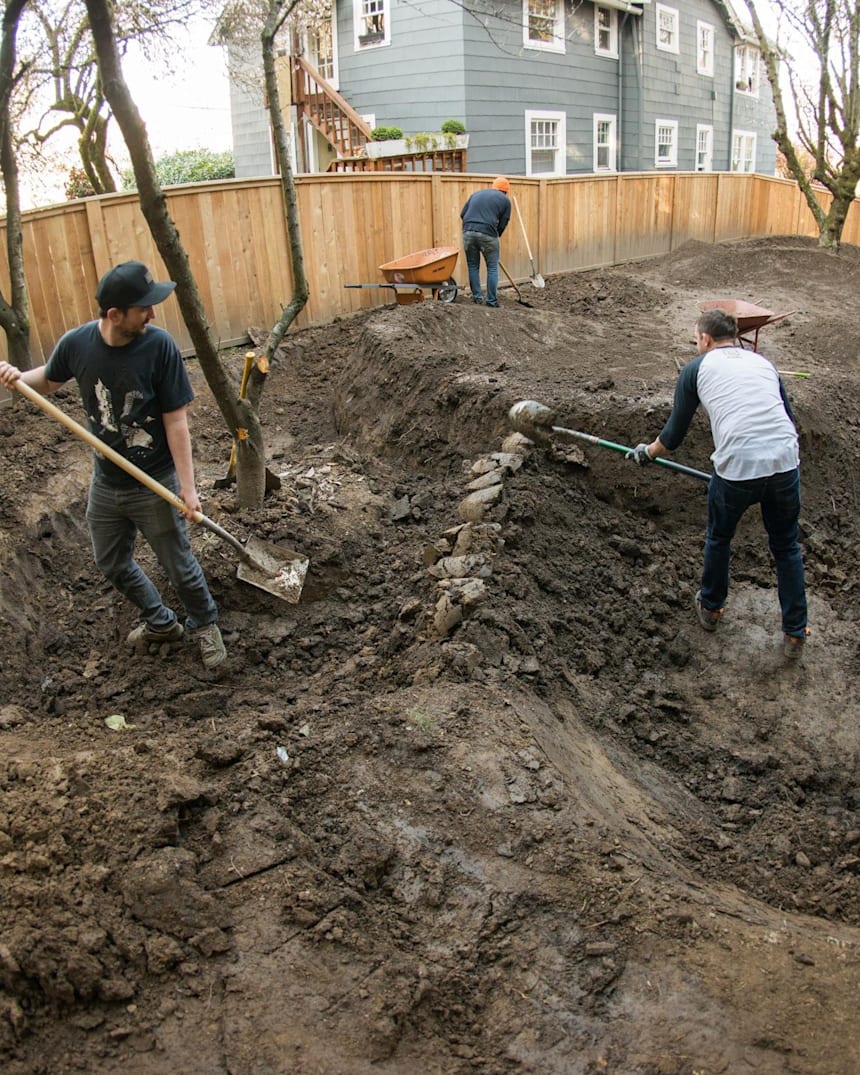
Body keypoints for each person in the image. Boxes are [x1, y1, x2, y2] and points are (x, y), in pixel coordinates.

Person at [0, 260, 227, 670]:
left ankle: (205, 624)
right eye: (144, 307)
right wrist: (18, 376)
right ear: (114, 314)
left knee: (178, 565)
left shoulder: (160, 347)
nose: (153, 313)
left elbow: (176, 421)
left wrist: (188, 489)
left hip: (154, 479)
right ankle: (161, 621)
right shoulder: (78, 344)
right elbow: (50, 379)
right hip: (106, 482)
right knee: (110, 562)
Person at [627, 307, 809, 660]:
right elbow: (785, 413)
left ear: (706, 339)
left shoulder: (697, 368)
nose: (697, 344)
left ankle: (710, 608)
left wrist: (648, 453)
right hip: (785, 462)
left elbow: (674, 433)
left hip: (738, 466)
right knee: (787, 546)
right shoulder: (763, 363)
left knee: (719, 536)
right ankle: (795, 632)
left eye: (697, 339)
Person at [460, 176, 511, 307]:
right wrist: (495, 235)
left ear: (494, 187)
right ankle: (491, 301)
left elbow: (462, 214)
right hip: (488, 233)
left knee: (473, 265)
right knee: (492, 267)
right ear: (505, 191)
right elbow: (503, 223)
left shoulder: (476, 194)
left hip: (468, 231)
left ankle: (477, 297)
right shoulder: (505, 200)